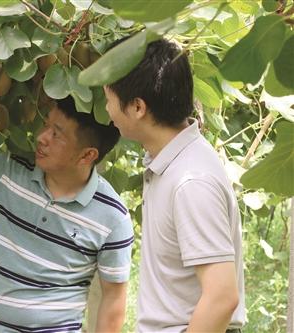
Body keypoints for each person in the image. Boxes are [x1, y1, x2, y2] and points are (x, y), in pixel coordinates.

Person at [0, 95, 134, 332]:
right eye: (46, 125)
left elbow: (113, 298)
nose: (41, 137)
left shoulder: (113, 217)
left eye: (56, 134)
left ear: (87, 155)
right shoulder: (8, 169)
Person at [103, 38, 245, 332]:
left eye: (109, 99)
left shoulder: (191, 181)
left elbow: (221, 297)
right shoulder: (170, 161)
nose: (107, 110)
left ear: (138, 107)